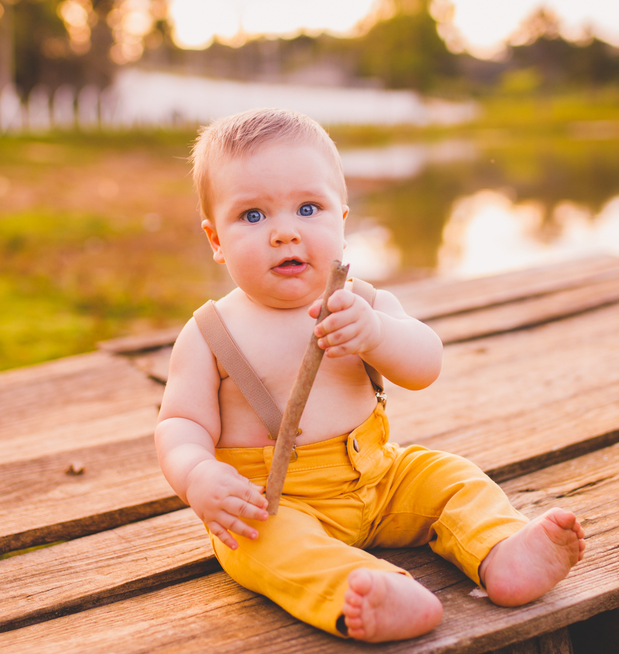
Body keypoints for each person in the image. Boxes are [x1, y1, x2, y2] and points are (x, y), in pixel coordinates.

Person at [155, 108, 585, 642]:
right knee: (264, 546)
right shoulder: (209, 333)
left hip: (383, 478)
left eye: (308, 208)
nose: (284, 233)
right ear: (215, 238)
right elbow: (179, 424)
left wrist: (378, 334)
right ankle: (369, 588)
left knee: (452, 479)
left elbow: (425, 365)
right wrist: (198, 475)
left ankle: (501, 550)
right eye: (252, 216)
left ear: (342, 220)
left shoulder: (362, 301)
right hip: (275, 501)